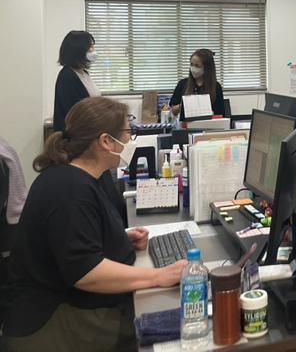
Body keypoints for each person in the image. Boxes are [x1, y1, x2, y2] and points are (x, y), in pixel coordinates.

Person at [1, 97, 186, 351]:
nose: (130, 140)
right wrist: (158, 276)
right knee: (175, 323)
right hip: (53, 320)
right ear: (106, 141)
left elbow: (74, 239)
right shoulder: (70, 190)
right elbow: (86, 272)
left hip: (66, 306)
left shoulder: (75, 177)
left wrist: (118, 238)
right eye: (128, 132)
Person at [52, 30, 127, 226]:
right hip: (83, 145)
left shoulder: (83, 73)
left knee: (111, 195)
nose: (94, 51)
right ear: (78, 50)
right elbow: (80, 114)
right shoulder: (67, 77)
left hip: (95, 141)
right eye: (90, 47)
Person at [170, 48, 226, 119]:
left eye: (197, 66)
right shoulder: (182, 84)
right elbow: (172, 110)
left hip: (207, 124)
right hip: (186, 125)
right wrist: (184, 105)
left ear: (207, 68)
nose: (193, 68)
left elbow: (220, 114)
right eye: (191, 64)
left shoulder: (216, 87)